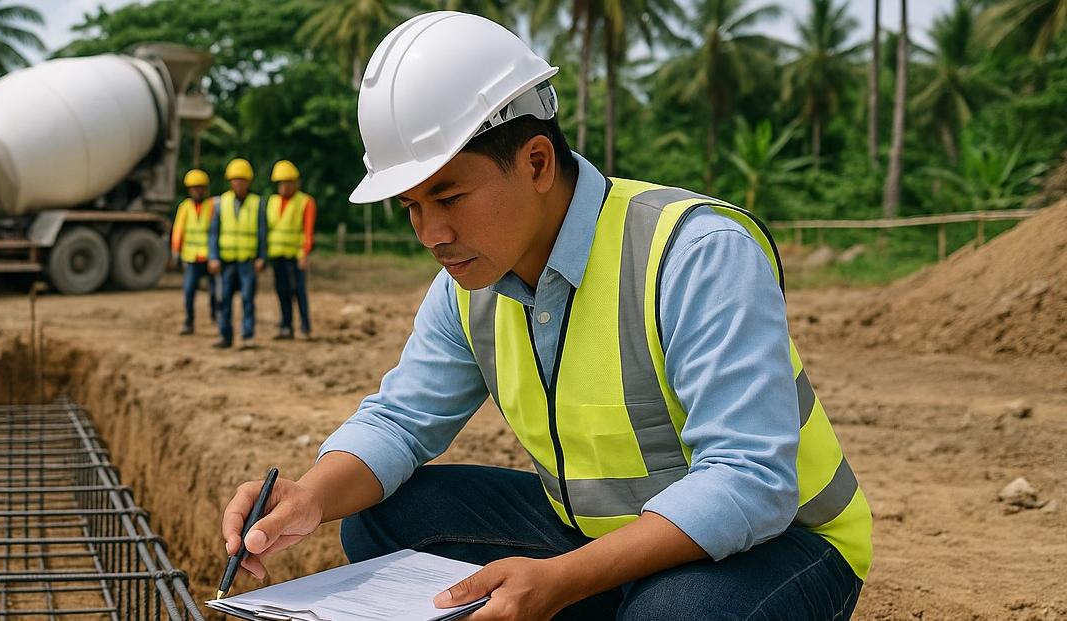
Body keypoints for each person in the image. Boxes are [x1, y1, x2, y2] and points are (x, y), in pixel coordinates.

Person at [219, 12, 871, 621]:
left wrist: (563, 580)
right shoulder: (467, 285)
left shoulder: (693, 252)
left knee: (673, 612)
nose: (430, 232)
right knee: (375, 518)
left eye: (448, 196)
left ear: (536, 161)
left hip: (781, 542)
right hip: (598, 534)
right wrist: (307, 496)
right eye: (410, 206)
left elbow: (748, 479)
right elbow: (400, 419)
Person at [209, 158, 267, 349]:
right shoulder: (220, 203)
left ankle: (248, 336)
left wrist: (261, 257)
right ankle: (225, 336)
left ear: (249, 181)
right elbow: (214, 232)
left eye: (242, 180)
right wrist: (213, 257)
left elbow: (262, 232)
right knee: (224, 300)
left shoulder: (257, 203)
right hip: (226, 261)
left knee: (247, 299)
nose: (238, 183)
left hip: (247, 262)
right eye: (235, 180)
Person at [265, 160, 317, 340]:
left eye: (287, 182)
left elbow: (308, 231)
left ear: (295, 182)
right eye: (281, 182)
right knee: (282, 291)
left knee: (298, 291)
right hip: (276, 255)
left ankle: (305, 327)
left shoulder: (305, 202)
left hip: (295, 256)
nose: (284, 186)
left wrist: (304, 254)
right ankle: (286, 326)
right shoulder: (271, 202)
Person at [171, 169, 218, 335]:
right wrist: (176, 252)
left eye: (200, 187)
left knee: (215, 292)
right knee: (189, 291)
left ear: (205, 189)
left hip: (209, 257)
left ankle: (216, 317)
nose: (197, 190)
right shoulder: (185, 207)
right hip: (191, 257)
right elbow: (178, 230)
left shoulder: (212, 206)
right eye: (194, 187)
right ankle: (189, 322)